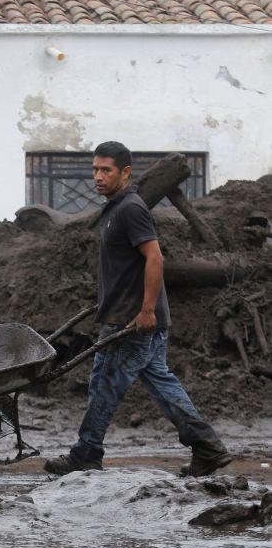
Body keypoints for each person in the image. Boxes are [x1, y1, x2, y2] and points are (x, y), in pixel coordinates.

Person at [44, 141, 231, 477]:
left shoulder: (131, 208)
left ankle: (86, 452)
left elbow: (155, 258)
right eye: (95, 169)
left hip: (132, 321)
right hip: (121, 315)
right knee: (160, 382)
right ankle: (208, 448)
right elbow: (124, 265)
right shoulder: (114, 208)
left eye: (106, 170)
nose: (98, 177)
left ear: (125, 172)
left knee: (104, 385)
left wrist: (147, 311)